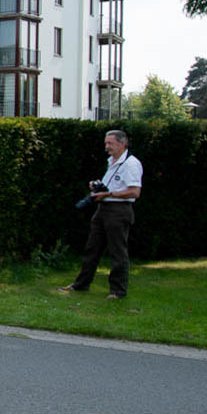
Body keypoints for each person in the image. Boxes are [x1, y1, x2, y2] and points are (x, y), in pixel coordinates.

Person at [60, 128, 144, 300]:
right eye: (106, 143)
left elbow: (135, 192)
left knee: (117, 251)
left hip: (119, 211)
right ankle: (81, 284)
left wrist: (108, 194)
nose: (106, 147)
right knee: (92, 248)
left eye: (110, 143)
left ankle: (117, 291)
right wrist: (97, 188)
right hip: (103, 210)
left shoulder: (131, 164)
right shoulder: (111, 161)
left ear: (122, 143)